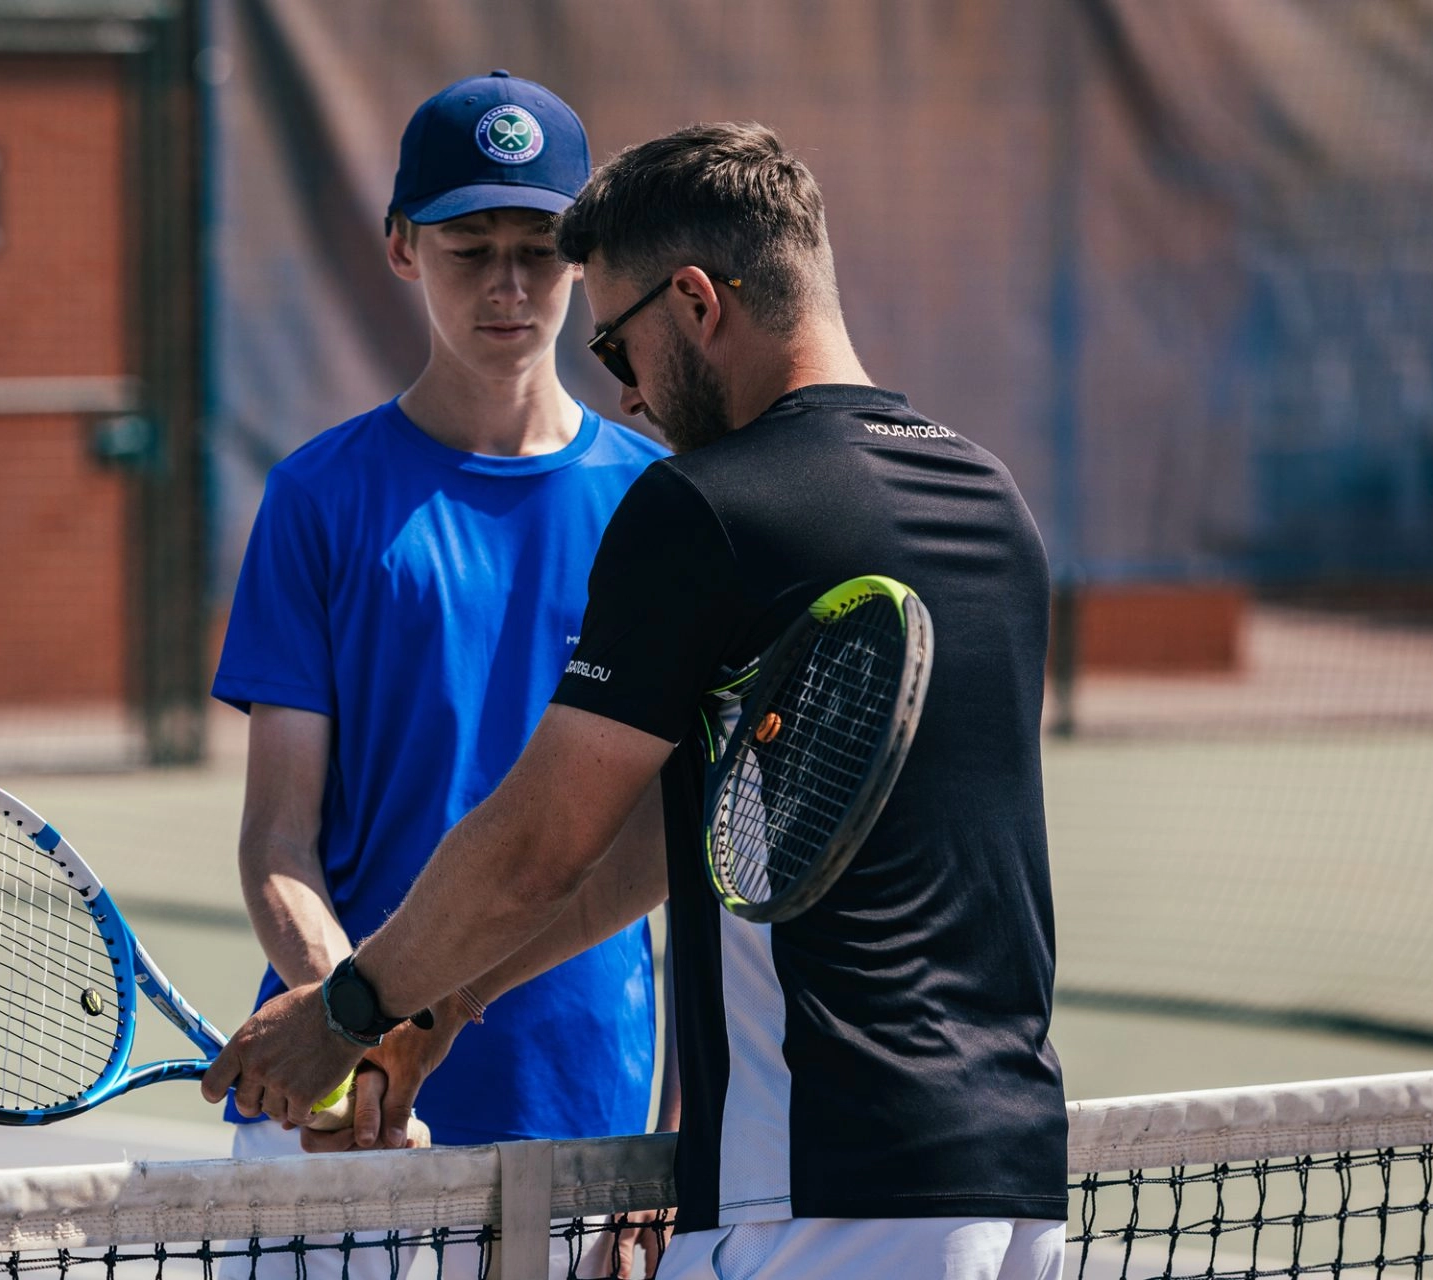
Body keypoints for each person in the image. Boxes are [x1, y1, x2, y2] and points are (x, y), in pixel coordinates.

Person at [204, 121, 1069, 1280]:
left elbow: (543, 845)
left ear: (698, 303)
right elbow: (698, 842)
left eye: (620, 341)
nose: (632, 391)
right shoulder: (989, 497)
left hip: (815, 1187)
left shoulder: (702, 507)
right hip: (1011, 1182)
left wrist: (348, 1008)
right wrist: (446, 1006)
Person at [211, 67, 672, 1185]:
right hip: (330, 1120)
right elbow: (280, 839)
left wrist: (672, 1142)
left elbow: (674, 848)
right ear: (401, 247)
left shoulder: (666, 507)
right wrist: (347, 1031)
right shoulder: (318, 498)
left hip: (579, 1096)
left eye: (541, 248)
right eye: (471, 248)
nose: (509, 285)